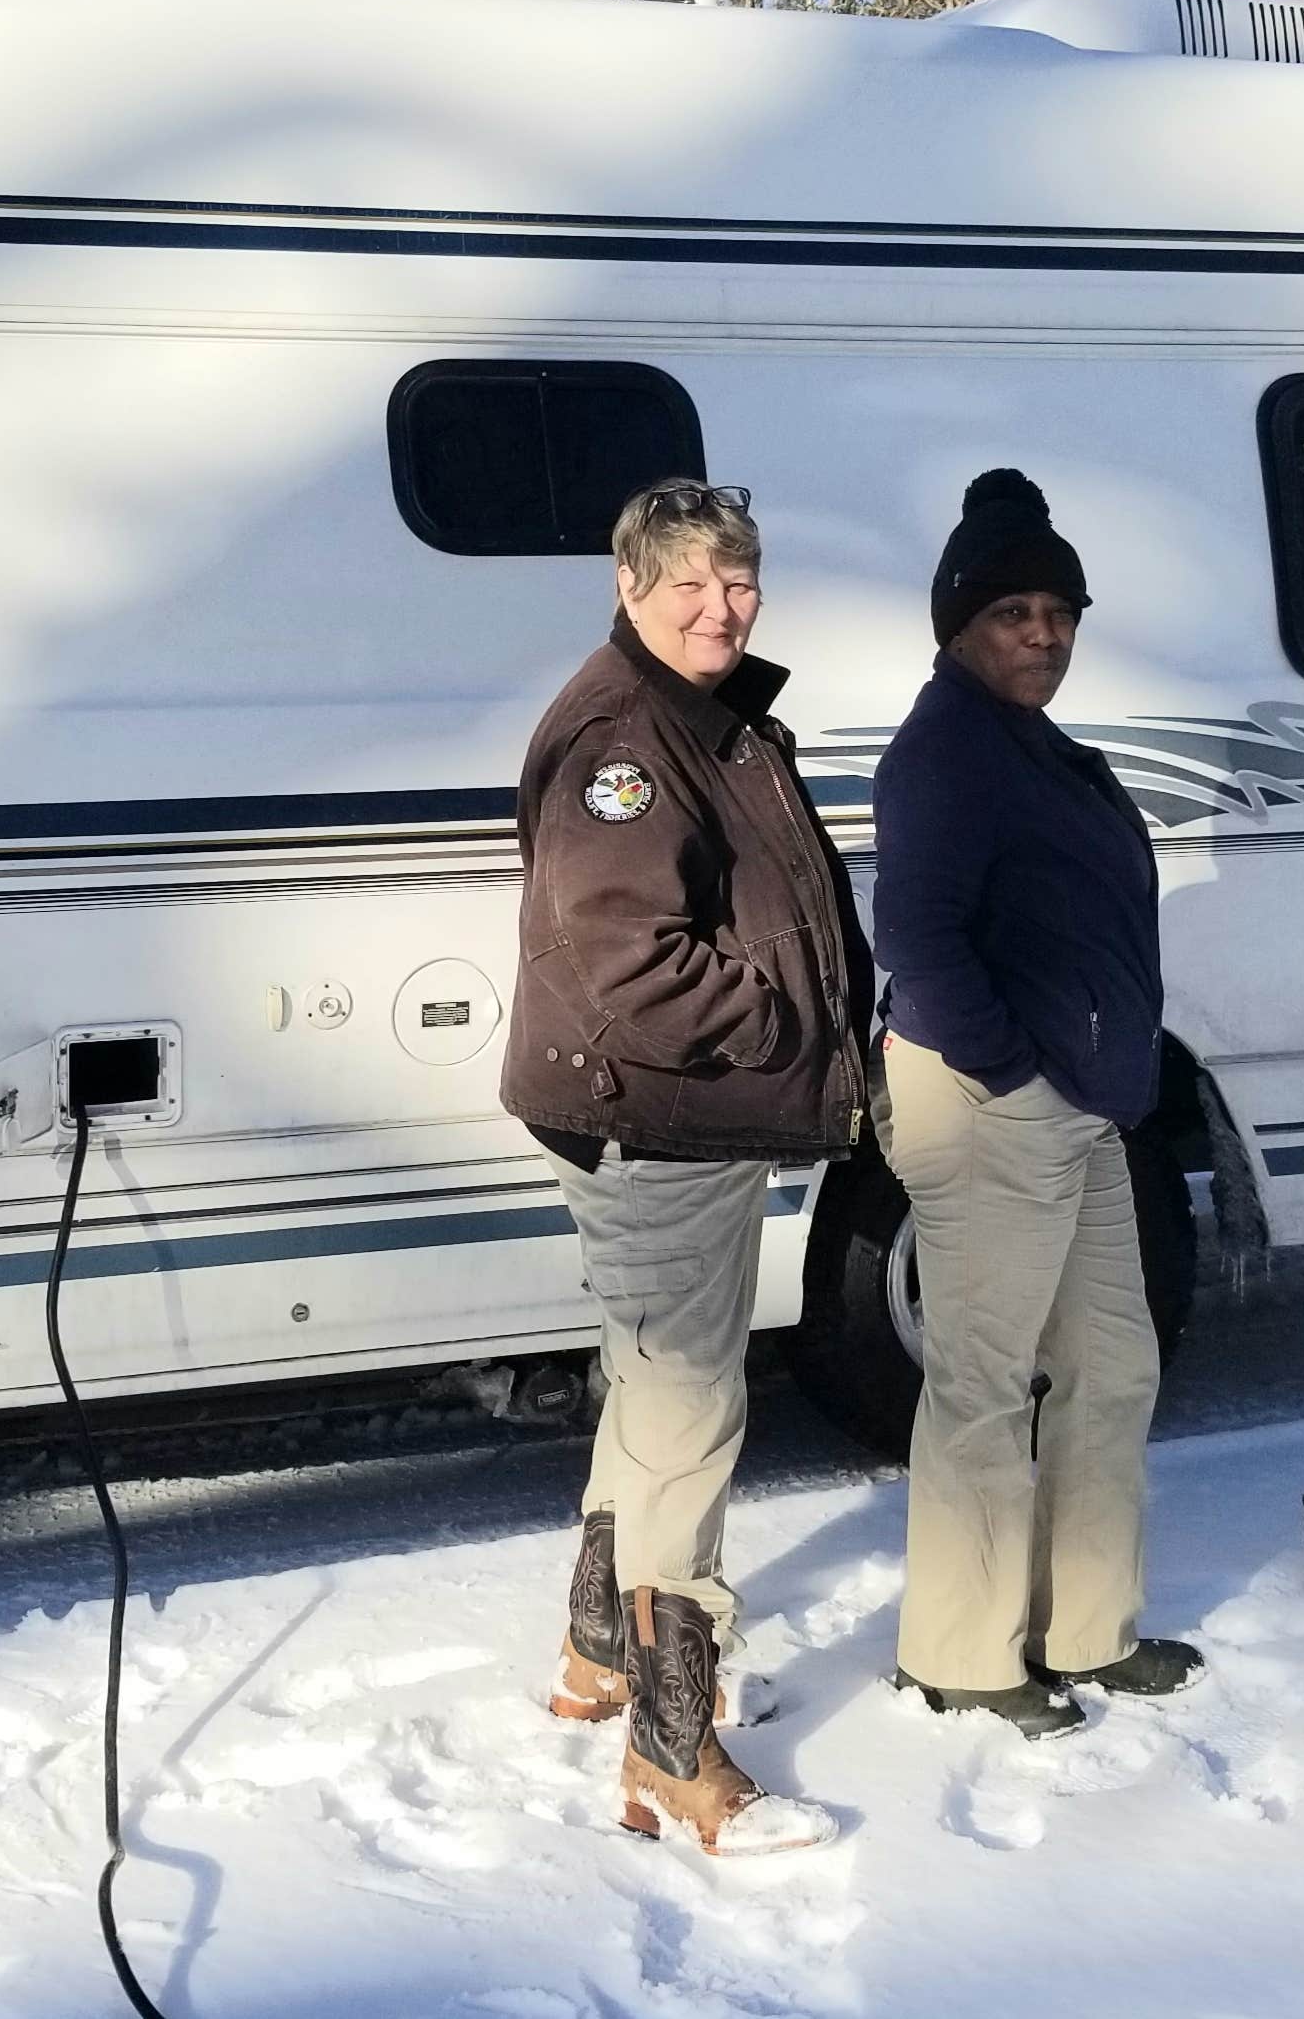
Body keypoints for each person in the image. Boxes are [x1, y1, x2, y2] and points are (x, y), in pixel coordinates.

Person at [502, 478, 870, 1855]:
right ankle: (673, 1747)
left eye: (742, 579)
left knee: (651, 1395)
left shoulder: (692, 709)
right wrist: (784, 1018)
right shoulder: (627, 738)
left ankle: (601, 1652)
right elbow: (628, 956)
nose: (722, 606)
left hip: (671, 1120)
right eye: (691, 584)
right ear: (629, 584)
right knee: (687, 1421)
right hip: (660, 1122)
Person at [873, 467, 1201, 1740]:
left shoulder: (1034, 746)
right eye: (1012, 610)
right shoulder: (945, 749)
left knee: (1112, 1365)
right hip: (991, 1103)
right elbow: (917, 937)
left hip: (1077, 1106)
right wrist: (1011, 1069)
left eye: (1058, 611)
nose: (1042, 633)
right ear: (958, 622)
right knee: (981, 1385)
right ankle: (959, 1651)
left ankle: (1083, 1630)